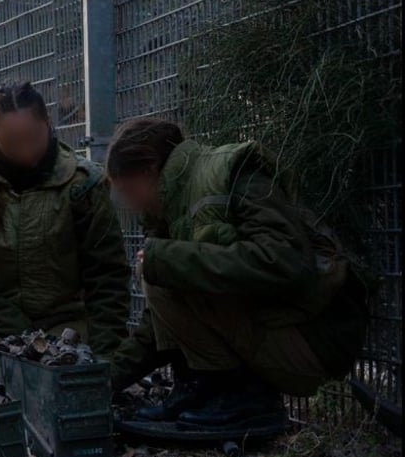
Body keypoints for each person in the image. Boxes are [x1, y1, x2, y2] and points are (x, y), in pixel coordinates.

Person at [107, 119, 369, 427]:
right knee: (158, 268)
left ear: (150, 169)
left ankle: (243, 395)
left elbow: (285, 263)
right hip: (278, 333)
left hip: (315, 340)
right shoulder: (172, 204)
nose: (129, 205)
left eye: (128, 191)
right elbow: (162, 320)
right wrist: (106, 380)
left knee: (160, 264)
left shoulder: (231, 172)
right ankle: (202, 389)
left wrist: (172, 258)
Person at [0, 82, 130, 383]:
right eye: (12, 142)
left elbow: (107, 276)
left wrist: (106, 358)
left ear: (48, 125)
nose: (25, 152)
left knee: (61, 396)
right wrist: (12, 323)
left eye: (32, 139)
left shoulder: (82, 185)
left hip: (67, 322)